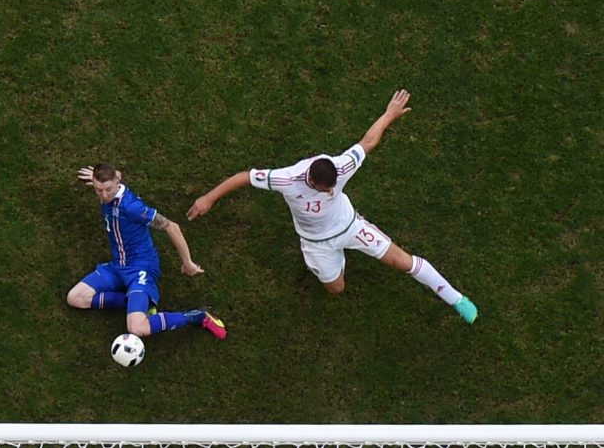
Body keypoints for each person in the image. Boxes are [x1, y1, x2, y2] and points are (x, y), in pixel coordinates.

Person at [187, 89, 478, 324]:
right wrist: (209, 198)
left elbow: (368, 141)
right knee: (336, 289)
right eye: (325, 189)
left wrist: (389, 114)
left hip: (351, 226)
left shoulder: (340, 167)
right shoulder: (287, 179)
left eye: (333, 188)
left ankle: (456, 298)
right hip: (316, 242)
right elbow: (245, 177)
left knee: (402, 261)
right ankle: (332, 260)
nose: (330, 192)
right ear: (310, 179)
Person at [68, 163, 227, 340]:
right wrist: (97, 177)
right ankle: (134, 302)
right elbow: (115, 174)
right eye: (98, 190)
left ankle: (197, 316)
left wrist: (187, 262)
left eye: (108, 189)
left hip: (140, 268)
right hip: (118, 265)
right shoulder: (109, 188)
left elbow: (172, 227)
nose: (104, 195)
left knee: (137, 328)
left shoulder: (131, 207)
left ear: (117, 182)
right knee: (75, 298)